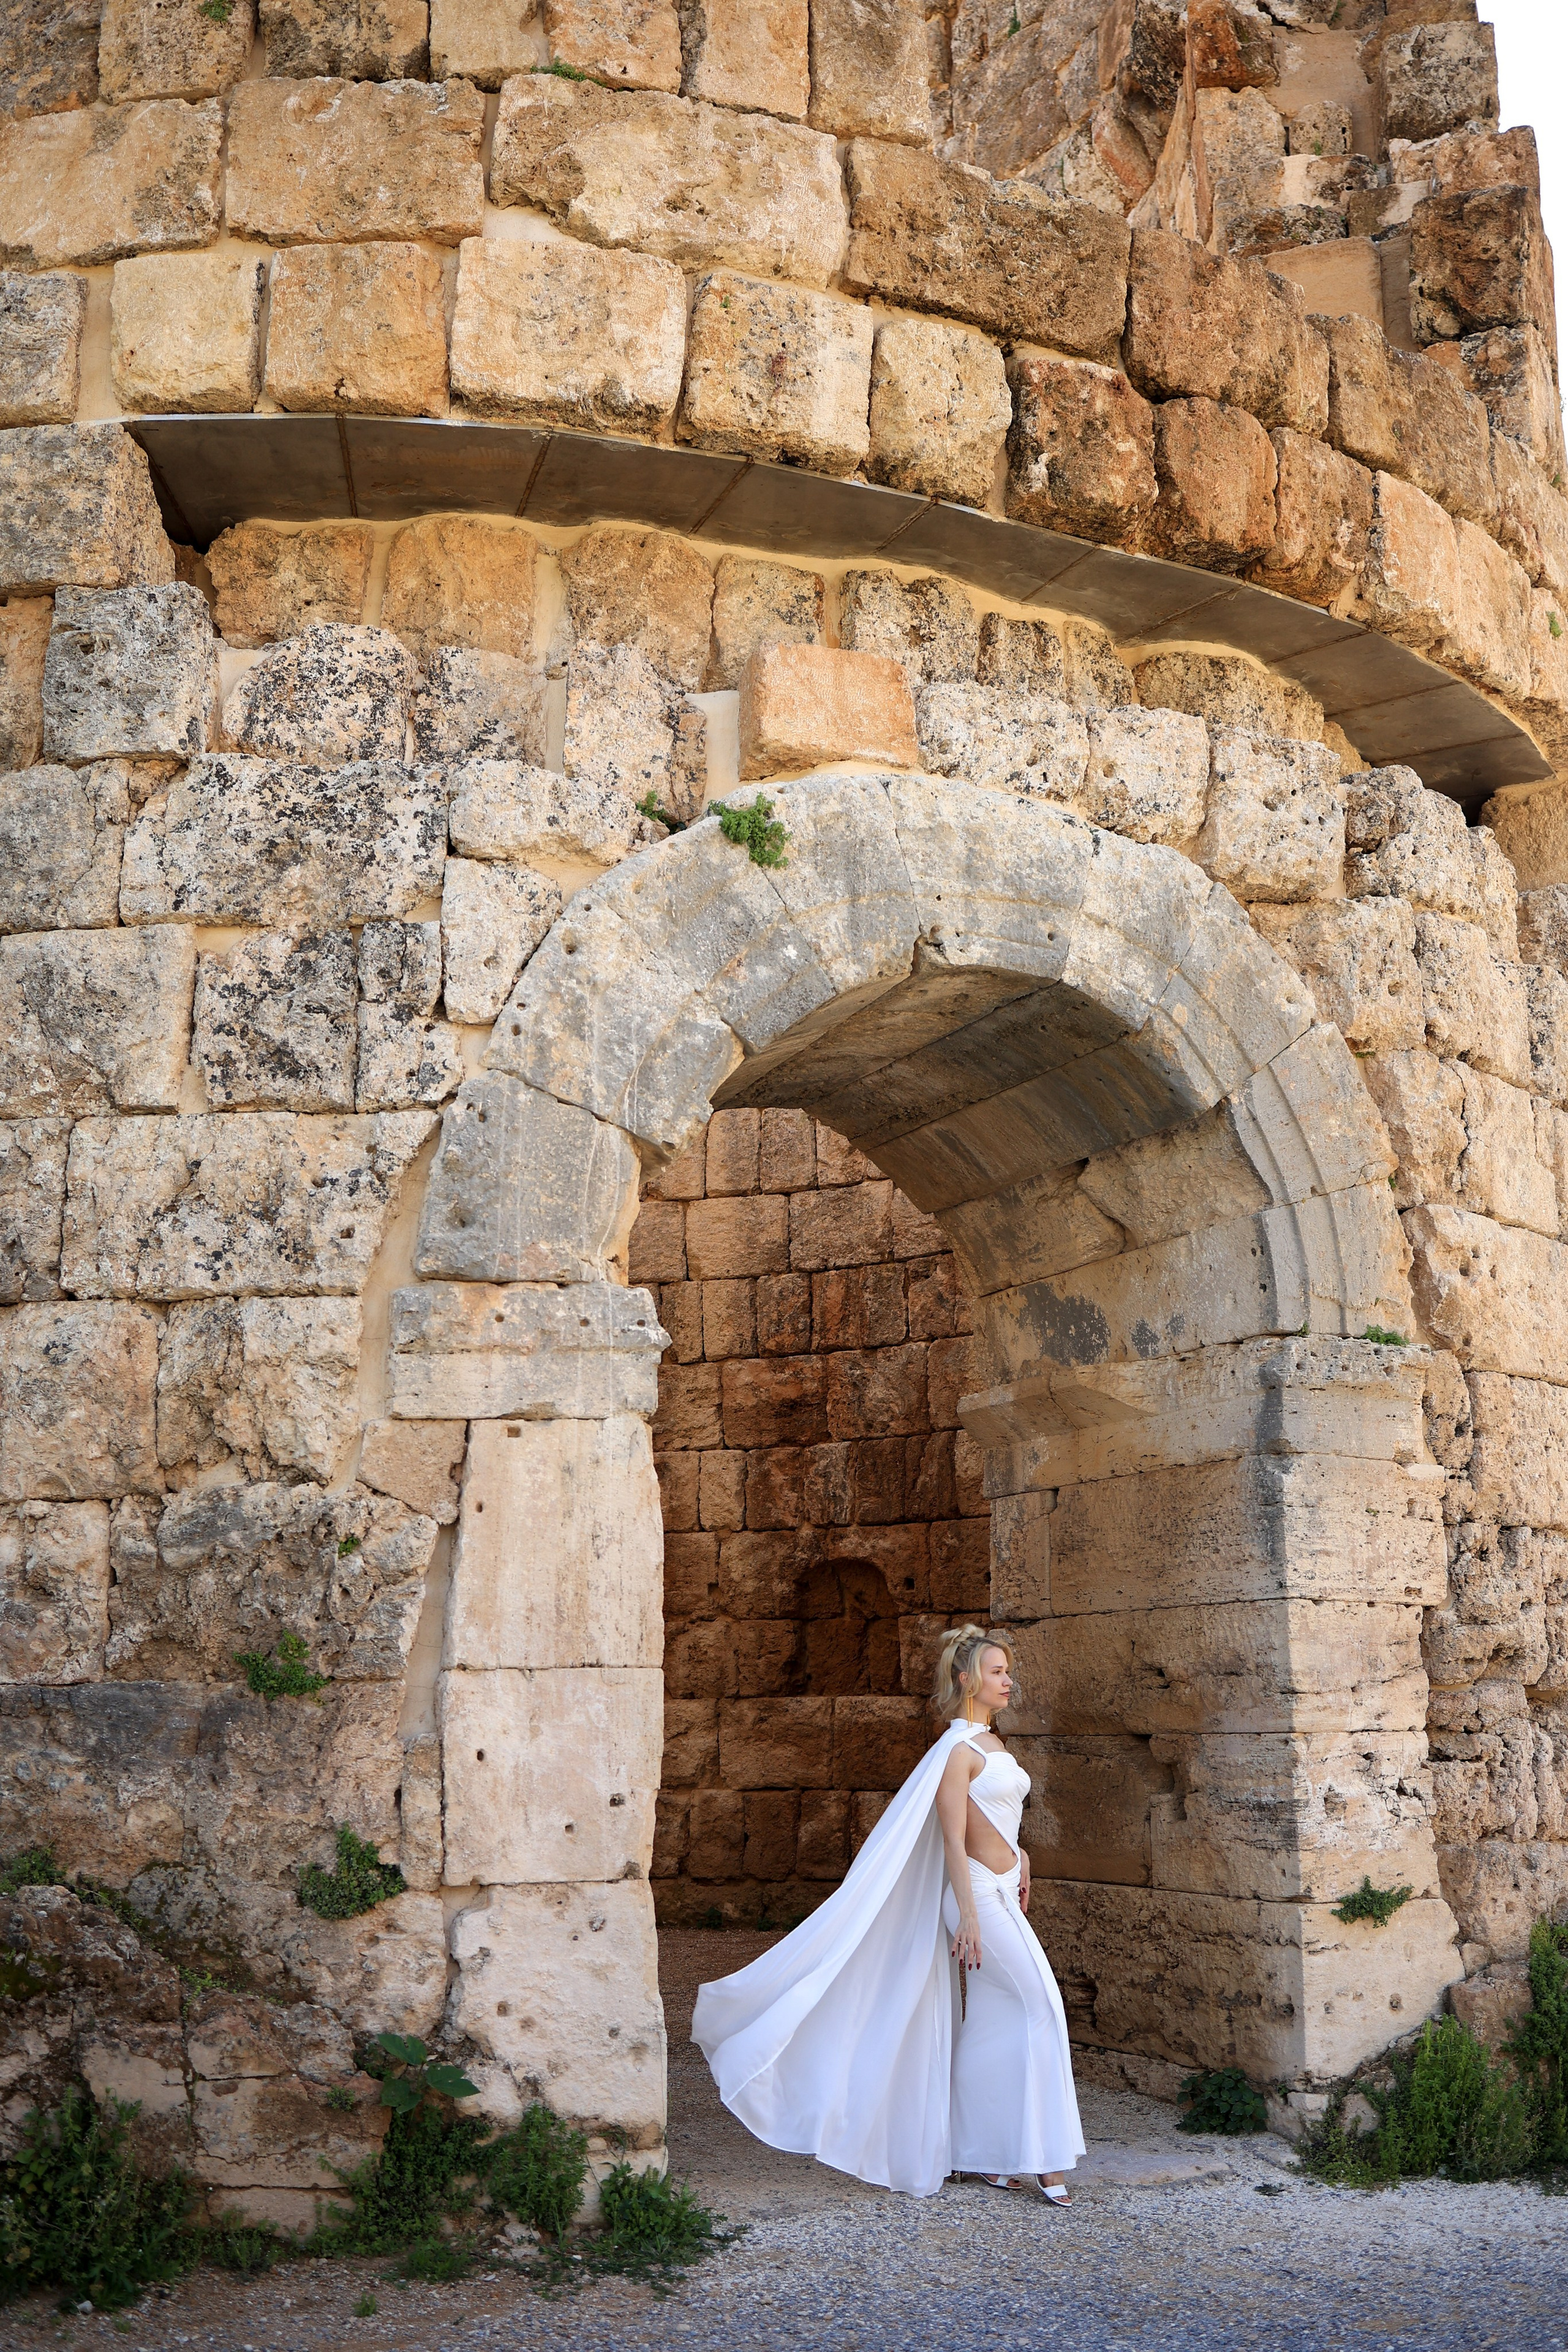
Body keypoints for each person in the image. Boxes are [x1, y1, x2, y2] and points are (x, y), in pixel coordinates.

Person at [692, 1625, 1085, 2201]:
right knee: (1042, 2006)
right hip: (978, 1897)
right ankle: (1046, 2159)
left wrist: (1020, 1854)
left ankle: (983, 2152)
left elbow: (996, 1816)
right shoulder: (958, 1751)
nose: (1008, 1681)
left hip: (1003, 1887)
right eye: (997, 1672)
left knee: (996, 2018)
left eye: (1007, 1672)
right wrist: (969, 1914)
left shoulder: (994, 1744)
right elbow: (952, 1839)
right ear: (967, 1680)